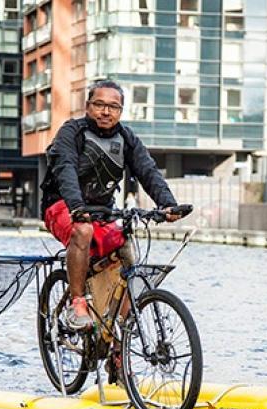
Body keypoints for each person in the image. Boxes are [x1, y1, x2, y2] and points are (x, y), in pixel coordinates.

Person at [40, 79, 181, 330]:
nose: (106, 111)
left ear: (121, 111)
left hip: (101, 210)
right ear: (87, 107)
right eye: (99, 104)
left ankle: (120, 339)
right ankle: (77, 303)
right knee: (83, 231)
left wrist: (167, 204)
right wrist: (76, 207)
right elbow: (65, 170)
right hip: (61, 205)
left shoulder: (126, 138)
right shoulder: (72, 132)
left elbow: (148, 171)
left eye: (113, 107)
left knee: (125, 246)